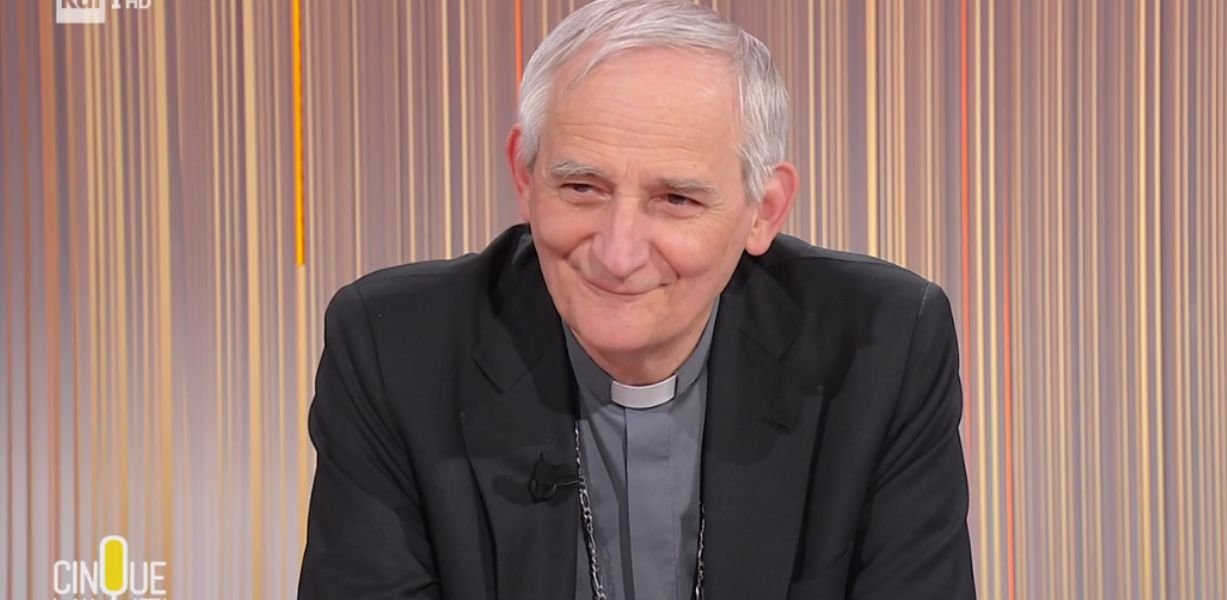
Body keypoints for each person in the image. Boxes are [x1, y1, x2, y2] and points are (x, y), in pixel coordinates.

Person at [297, 1, 975, 598]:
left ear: (763, 210)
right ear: (525, 175)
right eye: (581, 188)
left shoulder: (884, 345)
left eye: (675, 199)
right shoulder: (392, 349)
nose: (618, 254)